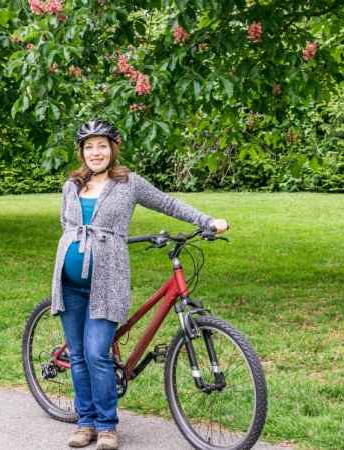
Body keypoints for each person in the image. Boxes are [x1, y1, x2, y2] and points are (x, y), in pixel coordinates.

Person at [50, 119, 228, 450]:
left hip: (107, 282)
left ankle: (106, 427)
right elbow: (66, 223)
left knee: (95, 353)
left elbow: (169, 203)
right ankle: (85, 423)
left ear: (112, 148)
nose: (95, 152)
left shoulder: (129, 183)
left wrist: (207, 221)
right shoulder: (71, 185)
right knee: (77, 354)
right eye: (89, 147)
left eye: (101, 145)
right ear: (82, 152)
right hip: (69, 282)